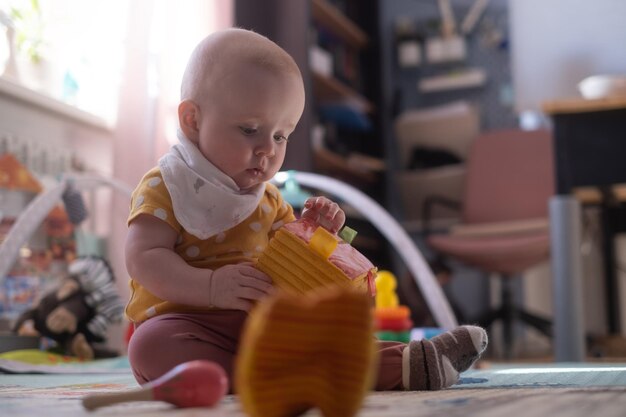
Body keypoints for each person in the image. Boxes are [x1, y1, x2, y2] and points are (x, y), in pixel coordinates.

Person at [125, 28, 487, 395]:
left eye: (281, 136)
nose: (267, 149)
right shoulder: (166, 185)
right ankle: (285, 376)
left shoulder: (268, 201)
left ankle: (413, 363)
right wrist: (212, 287)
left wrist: (321, 233)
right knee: (149, 346)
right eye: (250, 129)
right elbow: (143, 259)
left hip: (263, 325)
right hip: (184, 324)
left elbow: (296, 257)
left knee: (328, 334)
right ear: (193, 120)